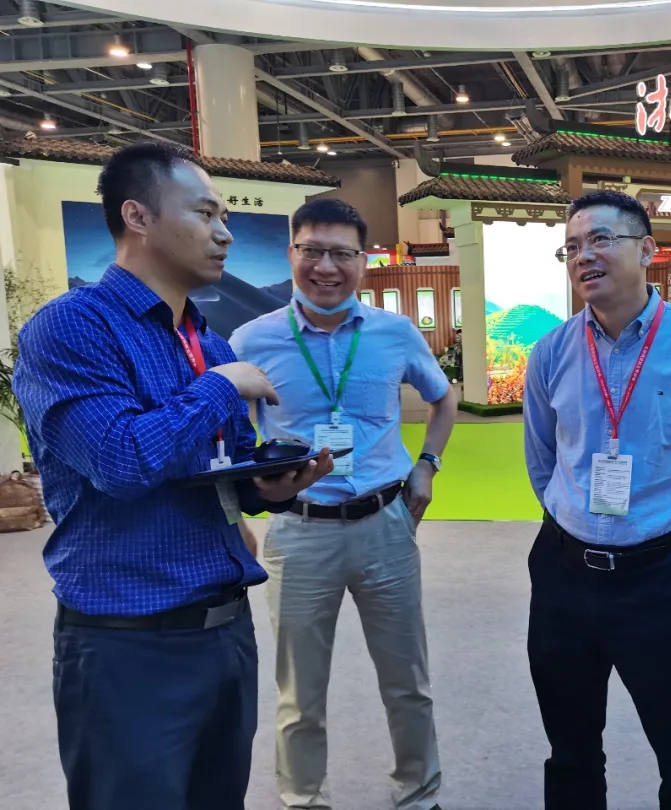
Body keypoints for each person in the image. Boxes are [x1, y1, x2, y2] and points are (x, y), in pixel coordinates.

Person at [12, 142, 332, 810]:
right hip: (129, 644)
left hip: (224, 632)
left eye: (226, 218)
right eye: (206, 214)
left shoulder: (206, 340)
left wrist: (267, 487)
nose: (224, 233)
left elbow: (218, 468)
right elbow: (120, 461)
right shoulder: (72, 328)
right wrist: (221, 387)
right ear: (137, 216)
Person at [523, 189, 671, 810]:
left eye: (600, 239)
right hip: (564, 576)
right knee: (570, 752)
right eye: (572, 246)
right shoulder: (551, 351)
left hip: (660, 580)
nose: (583, 256)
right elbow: (542, 459)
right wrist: (570, 523)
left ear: (647, 250)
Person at [230, 198, 456, 810]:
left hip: (386, 524)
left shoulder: (394, 333)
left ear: (363, 260)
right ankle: (303, 799)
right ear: (292, 254)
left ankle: (419, 795)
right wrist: (239, 509)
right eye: (312, 251)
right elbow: (225, 436)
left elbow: (443, 398)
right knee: (299, 692)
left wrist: (427, 466)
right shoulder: (251, 340)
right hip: (299, 532)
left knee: (408, 682)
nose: (326, 267)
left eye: (341, 254)